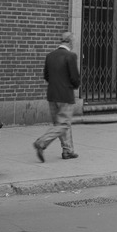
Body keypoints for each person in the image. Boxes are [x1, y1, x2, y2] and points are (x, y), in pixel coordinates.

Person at [33, 31, 81, 162]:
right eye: (74, 42)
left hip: (52, 94)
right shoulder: (71, 56)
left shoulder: (50, 55)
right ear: (70, 42)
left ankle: (68, 150)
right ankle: (42, 142)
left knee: (59, 123)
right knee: (63, 124)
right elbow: (74, 77)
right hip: (65, 95)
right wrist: (75, 85)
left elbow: (46, 76)